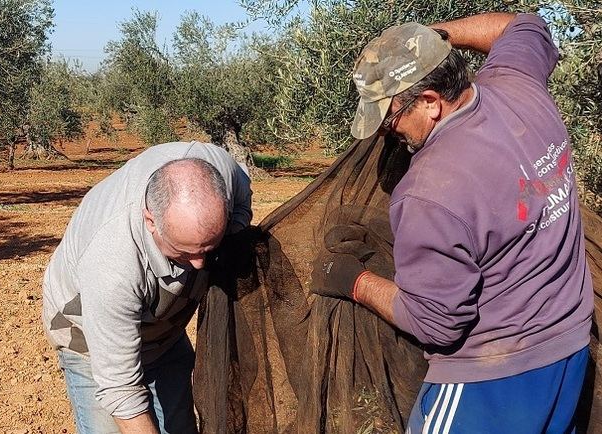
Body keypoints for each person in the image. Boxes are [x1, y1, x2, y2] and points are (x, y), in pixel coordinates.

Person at [311, 13, 593, 433]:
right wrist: (435, 37)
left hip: (491, 382)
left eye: (390, 119)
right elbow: (526, 26)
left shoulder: (428, 192)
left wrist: (356, 282)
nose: (389, 133)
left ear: (429, 101)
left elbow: (435, 323)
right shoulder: (518, 84)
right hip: (569, 350)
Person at [42, 141, 252, 434]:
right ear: (151, 221)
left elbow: (243, 202)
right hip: (88, 337)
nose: (200, 264)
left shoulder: (219, 169)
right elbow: (121, 388)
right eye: (184, 252)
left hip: (165, 335)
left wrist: (231, 236)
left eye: (208, 248)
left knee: (179, 426)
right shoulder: (112, 264)